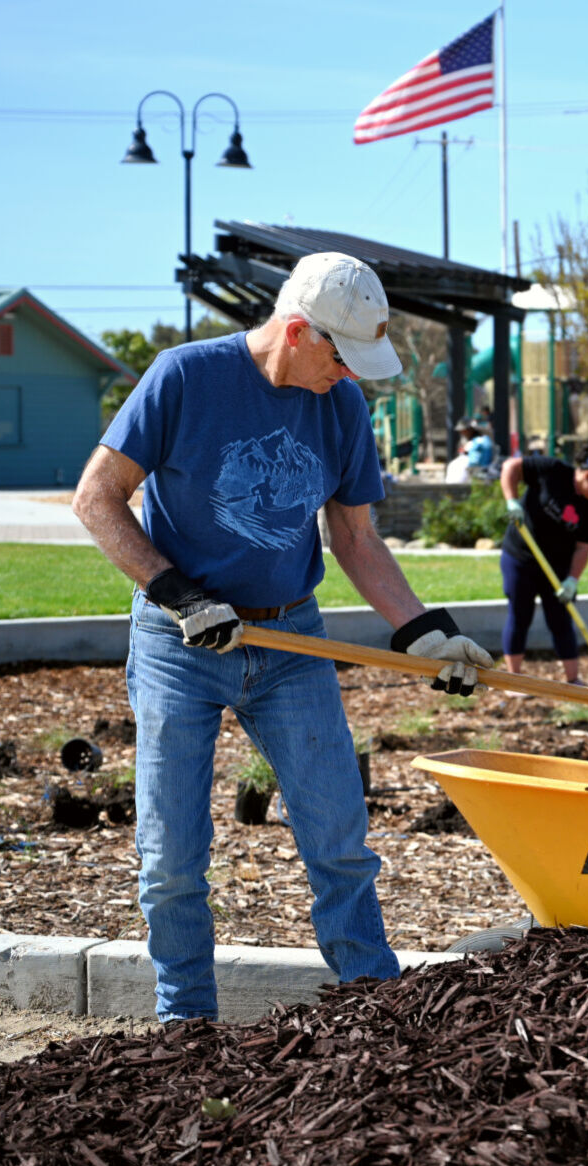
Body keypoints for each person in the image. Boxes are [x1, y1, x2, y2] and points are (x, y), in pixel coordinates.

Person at [72, 251, 494, 1022]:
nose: (351, 376)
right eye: (343, 357)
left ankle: (372, 1003)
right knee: (171, 857)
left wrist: (425, 632)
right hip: (180, 644)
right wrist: (178, 594)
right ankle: (186, 1022)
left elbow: (357, 539)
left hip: (290, 637)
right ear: (298, 331)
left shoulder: (339, 405)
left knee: (338, 837)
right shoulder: (183, 377)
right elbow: (96, 498)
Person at [498, 447, 588, 684]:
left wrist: (572, 580)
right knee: (520, 615)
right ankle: (514, 680)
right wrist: (512, 500)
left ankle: (573, 680)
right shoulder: (552, 470)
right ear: (587, 476)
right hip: (521, 556)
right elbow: (510, 467)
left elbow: (583, 547)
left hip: (557, 567)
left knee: (561, 619)